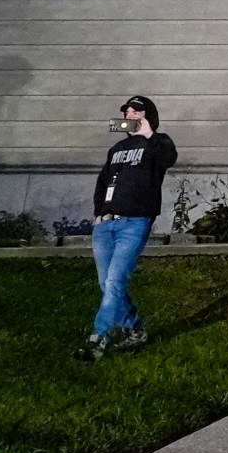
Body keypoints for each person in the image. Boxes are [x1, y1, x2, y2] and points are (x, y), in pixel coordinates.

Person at [81, 96, 177, 360]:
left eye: (136, 111)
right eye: (127, 111)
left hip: (134, 223)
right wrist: (99, 213)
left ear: (148, 116)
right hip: (106, 225)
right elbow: (103, 182)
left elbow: (168, 159)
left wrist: (149, 135)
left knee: (114, 281)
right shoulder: (117, 148)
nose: (130, 114)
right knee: (106, 283)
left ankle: (97, 338)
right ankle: (136, 329)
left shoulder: (159, 142)